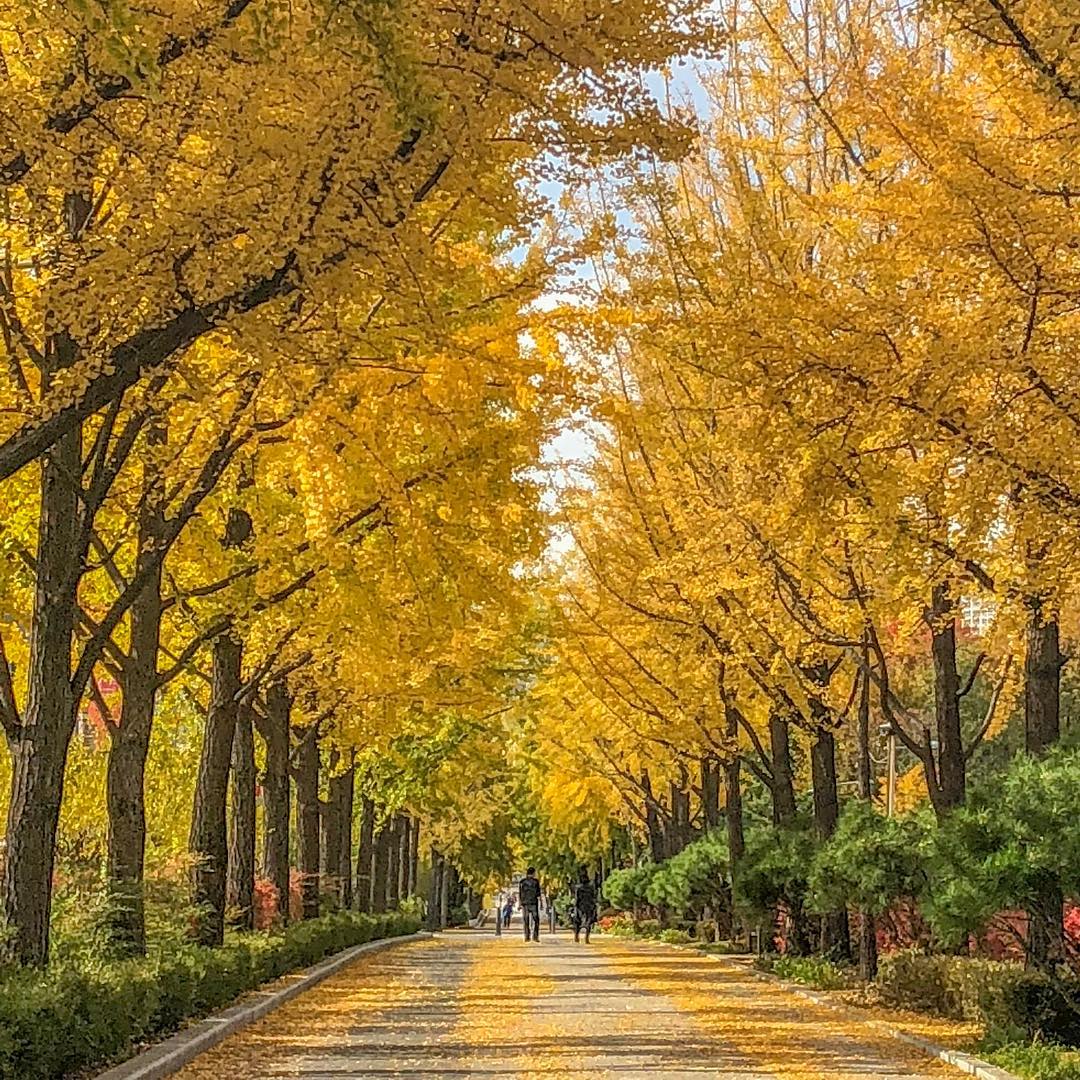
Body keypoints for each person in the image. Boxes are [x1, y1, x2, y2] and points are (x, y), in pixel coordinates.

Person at [572, 866, 598, 944]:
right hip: (589, 906)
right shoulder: (591, 888)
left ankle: (576, 936)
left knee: (577, 921)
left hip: (580, 906)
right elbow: (593, 896)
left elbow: (577, 898)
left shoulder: (578, 888)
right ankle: (586, 938)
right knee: (589, 922)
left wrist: (575, 905)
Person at [518, 866, 541, 941]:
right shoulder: (536, 882)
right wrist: (542, 904)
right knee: (536, 919)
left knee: (526, 920)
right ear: (533, 873)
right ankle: (535, 936)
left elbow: (520, 894)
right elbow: (538, 894)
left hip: (525, 904)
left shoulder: (522, 882)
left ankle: (527, 937)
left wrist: (519, 904)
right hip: (533, 903)